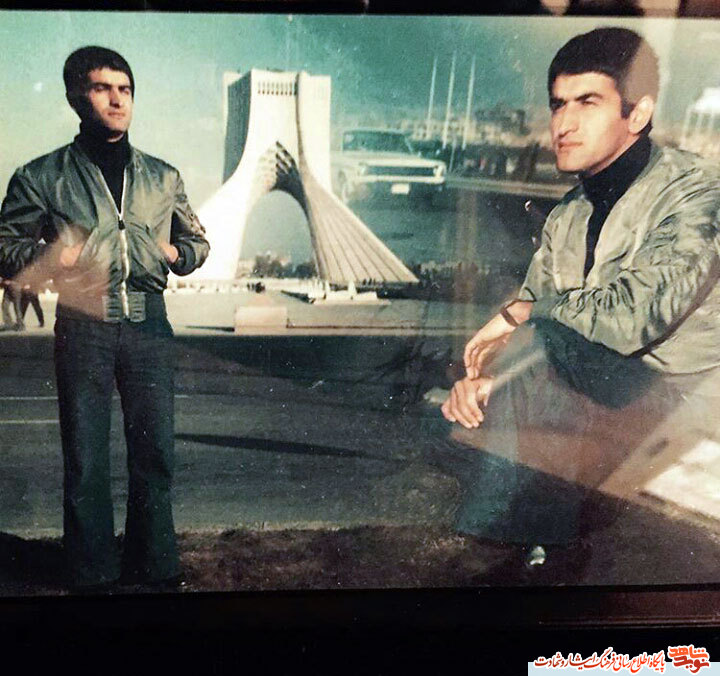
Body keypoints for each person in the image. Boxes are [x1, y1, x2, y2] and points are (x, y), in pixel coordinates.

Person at [441, 27, 720, 577]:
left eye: (587, 102)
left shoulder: (697, 192)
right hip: (604, 396)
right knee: (463, 406)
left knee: (537, 348)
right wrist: (485, 378)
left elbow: (637, 313)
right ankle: (525, 547)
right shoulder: (568, 215)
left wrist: (522, 318)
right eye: (558, 104)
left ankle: (500, 551)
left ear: (638, 114)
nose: (563, 124)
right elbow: (535, 319)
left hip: (684, 400)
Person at [0, 46, 210, 591]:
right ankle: (92, 574)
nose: (117, 100)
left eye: (125, 89)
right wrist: (57, 257)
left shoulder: (163, 176)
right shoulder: (40, 176)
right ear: (77, 98)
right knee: (86, 456)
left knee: (155, 452)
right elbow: (5, 247)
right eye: (102, 88)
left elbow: (197, 240)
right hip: (83, 323)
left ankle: (154, 567)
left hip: (150, 325)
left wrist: (174, 254)